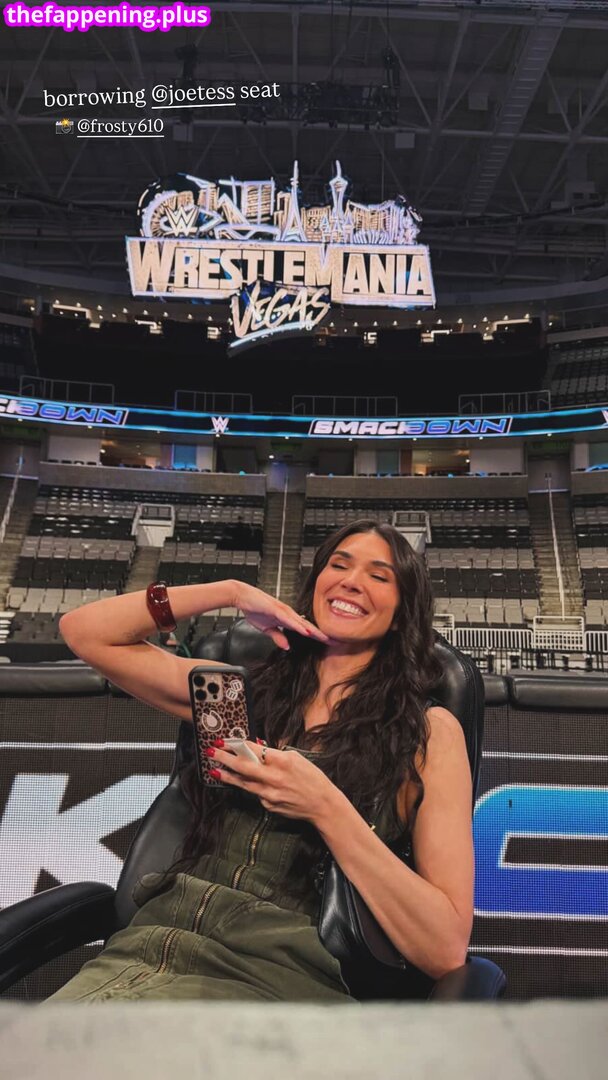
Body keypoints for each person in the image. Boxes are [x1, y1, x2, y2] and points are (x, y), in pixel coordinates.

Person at [43, 519, 474, 1003]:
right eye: (339, 565)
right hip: (139, 957)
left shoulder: (427, 733)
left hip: (277, 982)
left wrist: (327, 808)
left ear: (400, 613)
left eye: (379, 575)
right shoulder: (234, 695)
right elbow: (84, 632)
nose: (352, 581)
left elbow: (445, 948)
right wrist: (230, 592)